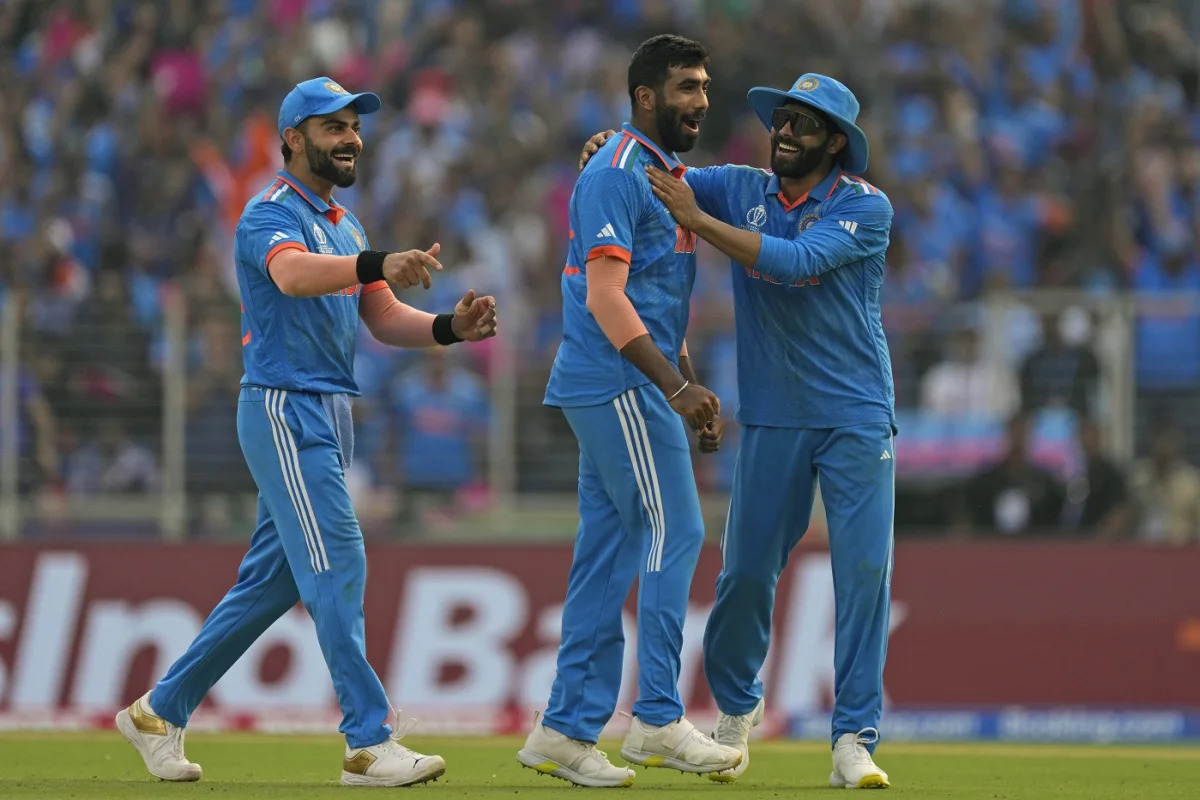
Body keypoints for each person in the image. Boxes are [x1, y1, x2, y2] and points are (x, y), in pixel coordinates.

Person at [115, 77, 498, 788]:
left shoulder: (347, 224)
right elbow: (291, 278)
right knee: (341, 560)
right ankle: (367, 740)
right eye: (333, 126)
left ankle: (158, 711)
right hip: (285, 407)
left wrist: (450, 327)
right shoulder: (268, 214)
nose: (351, 137)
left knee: (270, 585)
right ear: (293, 138)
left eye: (354, 125)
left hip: (330, 411)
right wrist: (376, 263)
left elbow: (380, 317)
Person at [580, 72, 895, 788]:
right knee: (746, 571)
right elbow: (655, 170)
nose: (784, 133)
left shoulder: (864, 207)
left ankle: (854, 739)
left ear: (834, 143)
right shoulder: (741, 187)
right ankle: (737, 708)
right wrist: (608, 149)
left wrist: (698, 217)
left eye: (803, 126)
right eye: (781, 120)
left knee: (864, 573)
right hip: (774, 413)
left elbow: (794, 263)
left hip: (855, 412)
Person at [516, 35, 742, 788]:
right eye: (685, 87)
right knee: (676, 530)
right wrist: (675, 392)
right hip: (616, 383)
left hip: (620, 380)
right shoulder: (618, 172)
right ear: (646, 96)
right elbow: (607, 298)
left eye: (705, 86)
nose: (701, 100)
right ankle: (655, 717)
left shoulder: (658, 172)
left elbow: (648, 297)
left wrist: (683, 377)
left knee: (607, 553)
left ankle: (564, 730)